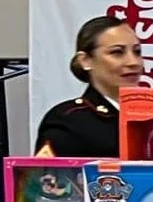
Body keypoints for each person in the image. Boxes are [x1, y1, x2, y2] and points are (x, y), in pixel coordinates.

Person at [34, 15, 143, 160]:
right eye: (117, 52)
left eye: (137, 52)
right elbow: (50, 179)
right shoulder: (67, 120)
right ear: (85, 60)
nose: (133, 62)